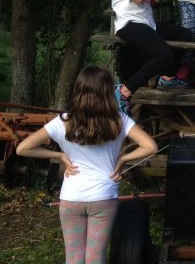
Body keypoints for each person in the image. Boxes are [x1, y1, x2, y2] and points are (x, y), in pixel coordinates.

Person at [16, 65, 158, 264]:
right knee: (95, 258)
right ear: (107, 91)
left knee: (73, 258)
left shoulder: (63, 121)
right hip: (103, 196)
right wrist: (123, 159)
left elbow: (23, 148)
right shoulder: (119, 120)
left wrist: (59, 155)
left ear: (78, 90)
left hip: (71, 197)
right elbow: (151, 146)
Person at [110, 0, 194, 114]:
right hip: (129, 24)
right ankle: (124, 91)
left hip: (147, 24)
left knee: (185, 35)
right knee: (164, 55)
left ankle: (168, 78)